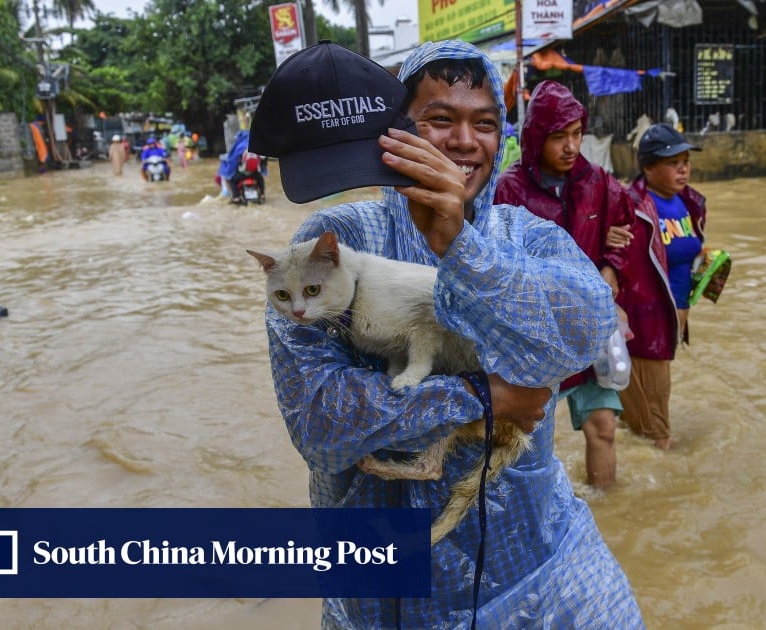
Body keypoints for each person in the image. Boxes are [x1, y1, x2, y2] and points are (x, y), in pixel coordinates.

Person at [263, 41, 644, 628]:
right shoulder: (333, 241)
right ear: (395, 134)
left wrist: (462, 248)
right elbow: (317, 420)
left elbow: (586, 329)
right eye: (440, 119)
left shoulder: (524, 238)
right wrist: (485, 397)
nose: (466, 141)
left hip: (541, 567)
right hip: (387, 592)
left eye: (485, 124)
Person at [493, 80, 633, 490]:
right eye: (559, 137)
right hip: (536, 335)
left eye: (577, 135)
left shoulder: (597, 182)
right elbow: (499, 264)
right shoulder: (510, 188)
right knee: (526, 439)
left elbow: (623, 228)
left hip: (591, 331)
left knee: (604, 426)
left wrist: (610, 269)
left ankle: (607, 512)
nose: (572, 147)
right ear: (537, 137)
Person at [607, 123, 708, 451]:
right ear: (648, 168)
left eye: (686, 161)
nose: (683, 168)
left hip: (671, 323)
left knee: (635, 416)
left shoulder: (690, 203)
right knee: (658, 433)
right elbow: (606, 253)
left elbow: (678, 258)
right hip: (644, 328)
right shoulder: (630, 206)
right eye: (673, 162)